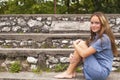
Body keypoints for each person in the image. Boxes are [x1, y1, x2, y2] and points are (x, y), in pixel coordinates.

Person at [54, 12, 118, 80]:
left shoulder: (104, 39)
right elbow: (82, 53)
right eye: (92, 23)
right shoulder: (95, 37)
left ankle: (69, 72)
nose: (93, 25)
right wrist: (74, 57)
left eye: (97, 23)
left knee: (81, 44)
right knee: (81, 45)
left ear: (103, 24)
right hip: (96, 69)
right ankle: (71, 71)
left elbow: (84, 54)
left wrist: (75, 45)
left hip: (100, 72)